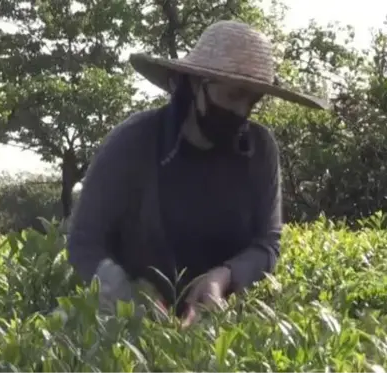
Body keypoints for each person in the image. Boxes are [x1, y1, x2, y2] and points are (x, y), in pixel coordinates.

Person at [66, 20, 328, 324]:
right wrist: (128, 296)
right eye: (233, 95)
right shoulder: (132, 143)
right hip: (131, 319)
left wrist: (224, 276)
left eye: (252, 100)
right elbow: (84, 241)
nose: (242, 112)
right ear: (193, 84)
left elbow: (267, 243)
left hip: (221, 320)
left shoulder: (259, 149)